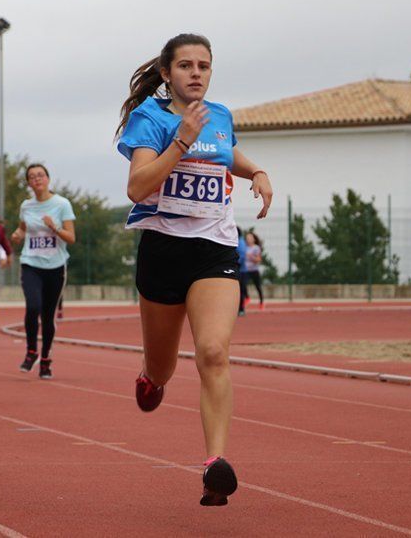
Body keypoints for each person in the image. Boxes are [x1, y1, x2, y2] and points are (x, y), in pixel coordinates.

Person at [116, 33, 273, 506]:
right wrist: (180, 141)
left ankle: (215, 465)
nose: (196, 73)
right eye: (185, 65)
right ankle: (151, 377)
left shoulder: (219, 116)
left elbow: (226, 154)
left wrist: (257, 172)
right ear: (167, 74)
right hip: (164, 250)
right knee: (163, 367)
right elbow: (137, 186)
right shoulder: (150, 119)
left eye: (204, 65)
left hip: (215, 249)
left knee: (213, 352)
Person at [10, 163, 76, 379]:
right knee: (33, 306)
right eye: (32, 176)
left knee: (48, 317)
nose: (37, 179)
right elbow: (22, 227)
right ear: (29, 183)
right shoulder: (26, 206)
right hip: (31, 263)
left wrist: (54, 227)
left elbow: (71, 238)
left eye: (40, 175)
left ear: (48, 179)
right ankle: (31, 352)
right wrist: (18, 234)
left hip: (55, 267)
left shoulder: (62, 204)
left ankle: (46, 359)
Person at [243, 231, 265, 309]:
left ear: (253, 239)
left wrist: (251, 256)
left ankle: (261, 302)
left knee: (258, 286)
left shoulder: (256, 248)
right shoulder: (244, 247)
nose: (248, 239)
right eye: (247, 238)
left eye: (250, 238)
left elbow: (258, 260)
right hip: (246, 270)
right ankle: (247, 298)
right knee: (243, 284)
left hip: (254, 270)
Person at [236, 227, 248, 316]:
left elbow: (242, 256)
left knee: (240, 291)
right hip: (238, 269)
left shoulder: (240, 242)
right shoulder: (238, 241)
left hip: (241, 270)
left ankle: (241, 309)